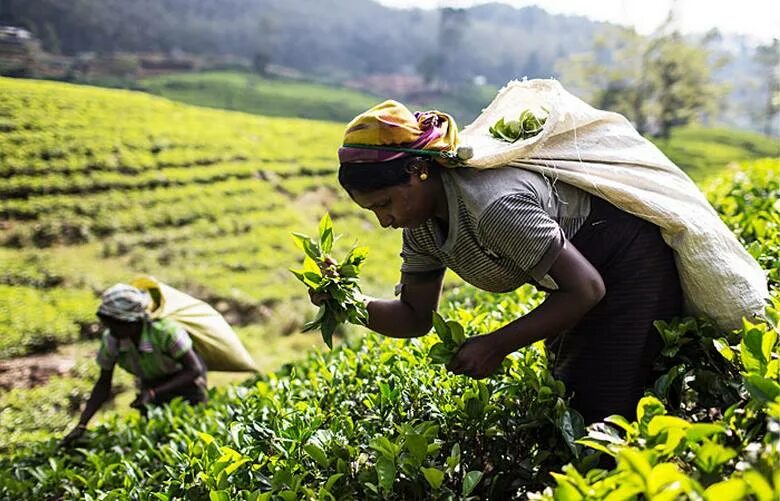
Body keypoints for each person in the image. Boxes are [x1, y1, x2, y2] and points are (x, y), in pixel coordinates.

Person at [323, 100, 682, 424]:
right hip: (580, 280)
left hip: (630, 264)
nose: (384, 221)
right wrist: (346, 303)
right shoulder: (420, 227)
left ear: (419, 171)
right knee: (571, 402)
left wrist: (495, 344)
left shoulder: (493, 206)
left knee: (601, 412)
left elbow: (586, 288)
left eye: (385, 204)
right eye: (373, 211)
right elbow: (414, 316)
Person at [61, 284, 207, 446]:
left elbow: (194, 369)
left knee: (190, 434)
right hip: (150, 382)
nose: (111, 330)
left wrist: (153, 393)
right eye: (108, 324)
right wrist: (82, 424)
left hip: (185, 380)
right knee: (156, 438)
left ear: (133, 322)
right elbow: (103, 383)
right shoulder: (112, 340)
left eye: (116, 325)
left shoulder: (165, 332)